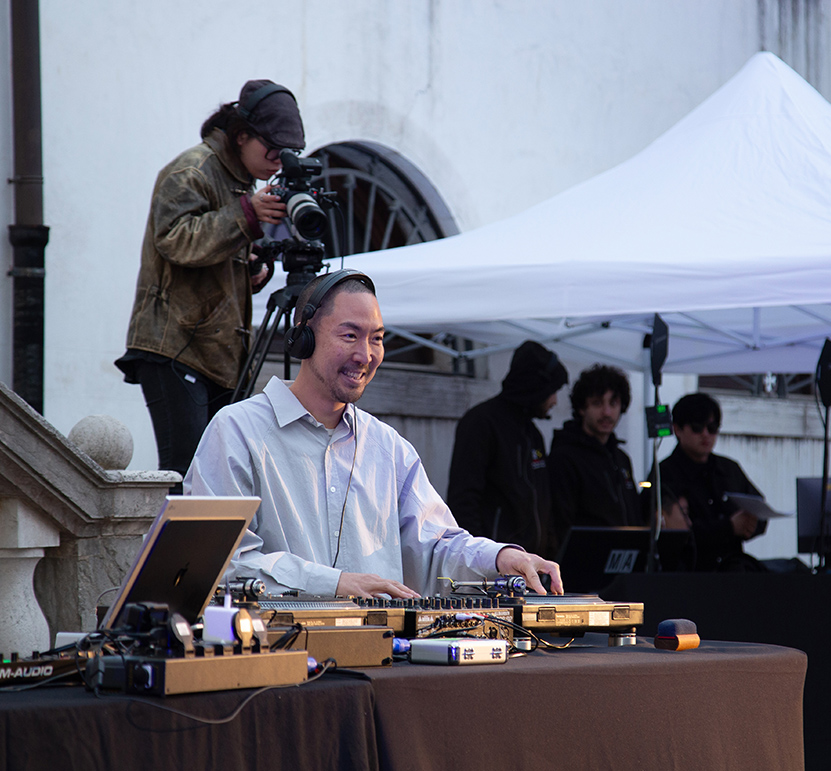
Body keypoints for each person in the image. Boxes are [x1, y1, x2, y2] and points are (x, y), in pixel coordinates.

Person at [183, 270, 562, 598]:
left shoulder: (389, 448)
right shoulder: (235, 431)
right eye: (350, 335)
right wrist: (333, 583)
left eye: (377, 338)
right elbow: (219, 565)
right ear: (303, 339)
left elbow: (436, 545)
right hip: (279, 664)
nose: (366, 355)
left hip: (384, 663)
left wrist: (499, 558)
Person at [116, 80, 304, 491]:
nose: (278, 161)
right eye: (272, 148)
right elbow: (176, 240)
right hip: (175, 348)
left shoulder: (239, 182)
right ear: (242, 136)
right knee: (186, 479)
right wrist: (246, 216)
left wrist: (252, 269)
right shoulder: (192, 170)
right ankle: (175, 559)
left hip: (214, 355)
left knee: (217, 482)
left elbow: (209, 259)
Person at [447, 340, 568, 557]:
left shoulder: (533, 434)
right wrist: (482, 561)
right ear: (536, 386)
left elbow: (544, 506)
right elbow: (464, 501)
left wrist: (549, 555)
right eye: (553, 391)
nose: (555, 401)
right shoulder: (481, 423)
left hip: (531, 570)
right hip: (495, 572)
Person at [650, 392, 767, 572]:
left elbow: (760, 509)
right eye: (697, 428)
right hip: (689, 575)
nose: (705, 435)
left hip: (733, 570)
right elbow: (672, 533)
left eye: (712, 428)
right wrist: (728, 528)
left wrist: (750, 525)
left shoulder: (729, 469)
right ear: (677, 429)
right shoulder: (665, 473)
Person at [547, 364, 642, 550]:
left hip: (625, 565)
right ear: (582, 408)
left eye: (613, 403)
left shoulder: (621, 459)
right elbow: (561, 524)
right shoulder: (564, 458)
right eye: (597, 403)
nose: (607, 412)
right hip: (583, 566)